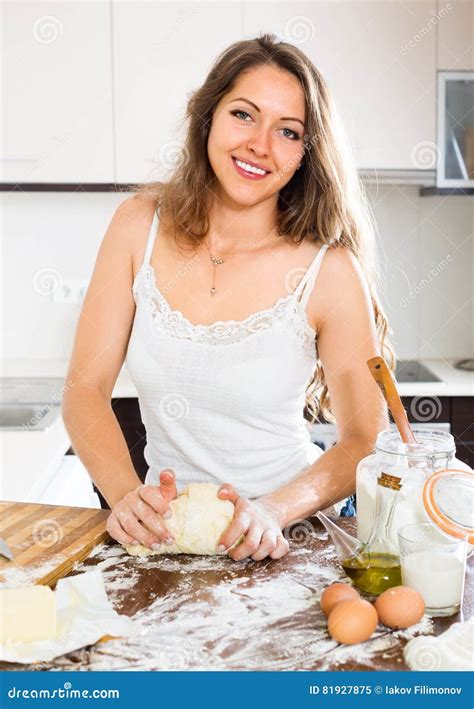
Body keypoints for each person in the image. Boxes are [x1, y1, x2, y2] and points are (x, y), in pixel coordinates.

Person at [63, 34, 391, 563]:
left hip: (290, 536)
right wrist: (126, 497)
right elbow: (85, 388)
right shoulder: (137, 227)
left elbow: (364, 440)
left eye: (288, 131)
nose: (260, 144)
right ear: (207, 116)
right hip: (165, 535)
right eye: (243, 115)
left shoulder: (328, 269)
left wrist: (272, 511)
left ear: (305, 154)